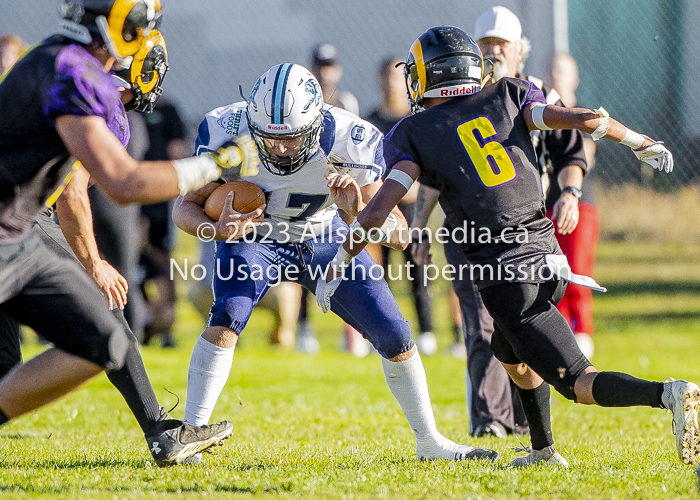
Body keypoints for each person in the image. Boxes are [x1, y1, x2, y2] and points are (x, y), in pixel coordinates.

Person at [318, 26, 698, 468]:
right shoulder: (510, 94)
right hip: (549, 256)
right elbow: (582, 119)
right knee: (508, 351)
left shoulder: (414, 131)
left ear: (427, 75)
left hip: (507, 277)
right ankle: (542, 451)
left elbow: (379, 210)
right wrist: (641, 142)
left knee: (579, 381)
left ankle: (667, 395)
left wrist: (341, 260)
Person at [173, 63, 497, 464]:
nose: (279, 149)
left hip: (326, 235)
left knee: (394, 331)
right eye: (268, 139)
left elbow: (398, 231)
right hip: (255, 236)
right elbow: (184, 207)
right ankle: (190, 435)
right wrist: (214, 230)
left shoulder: (351, 138)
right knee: (228, 314)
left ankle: (429, 441)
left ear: (314, 122)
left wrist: (358, 214)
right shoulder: (227, 128)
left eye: (291, 138)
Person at [0, 0, 259, 464]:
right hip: (14, 230)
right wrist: (213, 165)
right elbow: (103, 187)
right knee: (108, 323)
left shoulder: (53, 59)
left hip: (15, 230)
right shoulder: (76, 76)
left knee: (82, 345)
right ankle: (161, 434)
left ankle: (162, 434)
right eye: (142, 30)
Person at [412, 6, 588, 439]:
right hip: (469, 232)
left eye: (501, 44)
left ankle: (529, 421)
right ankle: (490, 419)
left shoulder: (534, 93)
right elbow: (434, 173)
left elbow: (574, 149)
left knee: (526, 324)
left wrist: (570, 192)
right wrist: (419, 226)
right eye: (485, 44)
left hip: (528, 234)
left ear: (519, 50)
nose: (493, 51)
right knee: (481, 323)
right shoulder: (454, 100)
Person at [364, 57, 437, 356]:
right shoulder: (371, 121)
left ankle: (427, 332)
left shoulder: (416, 120)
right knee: (380, 275)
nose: (392, 83)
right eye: (387, 77)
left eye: (398, 77)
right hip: (382, 205)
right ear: (380, 81)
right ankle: (385, 332)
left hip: (413, 208)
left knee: (418, 271)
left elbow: (429, 166)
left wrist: (411, 189)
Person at [547, 53, 600, 358]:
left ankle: (583, 332)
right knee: (554, 272)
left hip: (580, 206)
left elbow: (585, 157)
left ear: (575, 78)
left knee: (577, 269)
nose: (555, 75)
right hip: (546, 206)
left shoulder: (584, 115)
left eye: (562, 71)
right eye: (551, 69)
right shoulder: (537, 113)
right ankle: (562, 332)